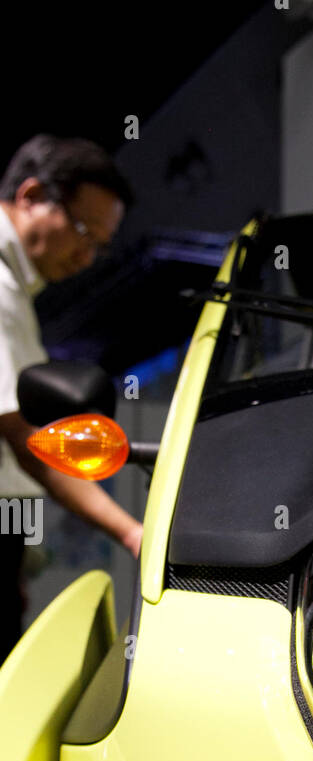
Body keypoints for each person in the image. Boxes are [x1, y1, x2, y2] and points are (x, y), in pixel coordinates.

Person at [0, 134, 143, 665]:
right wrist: (131, 530)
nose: (87, 257)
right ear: (32, 195)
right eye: (84, 232)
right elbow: (27, 439)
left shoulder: (16, 289)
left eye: (100, 245)